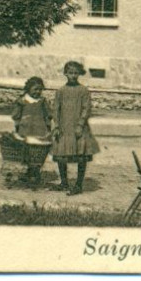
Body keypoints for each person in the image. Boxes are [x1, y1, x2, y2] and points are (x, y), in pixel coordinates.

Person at [51, 60, 99, 195]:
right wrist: (57, 126)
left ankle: (78, 184)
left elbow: (86, 108)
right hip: (64, 128)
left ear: (79, 74)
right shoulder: (60, 91)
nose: (73, 75)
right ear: (65, 73)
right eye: (70, 73)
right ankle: (64, 182)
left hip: (79, 129)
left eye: (75, 73)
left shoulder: (83, 91)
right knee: (61, 155)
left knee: (81, 156)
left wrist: (80, 124)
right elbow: (56, 109)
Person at [11, 76, 53, 188]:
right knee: (28, 152)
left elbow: (48, 115)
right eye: (35, 89)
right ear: (28, 89)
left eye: (40, 89)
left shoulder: (42, 101)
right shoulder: (22, 101)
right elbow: (16, 115)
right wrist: (18, 125)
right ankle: (30, 172)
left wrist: (49, 126)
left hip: (40, 131)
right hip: (26, 130)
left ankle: (35, 173)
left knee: (38, 152)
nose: (37, 92)